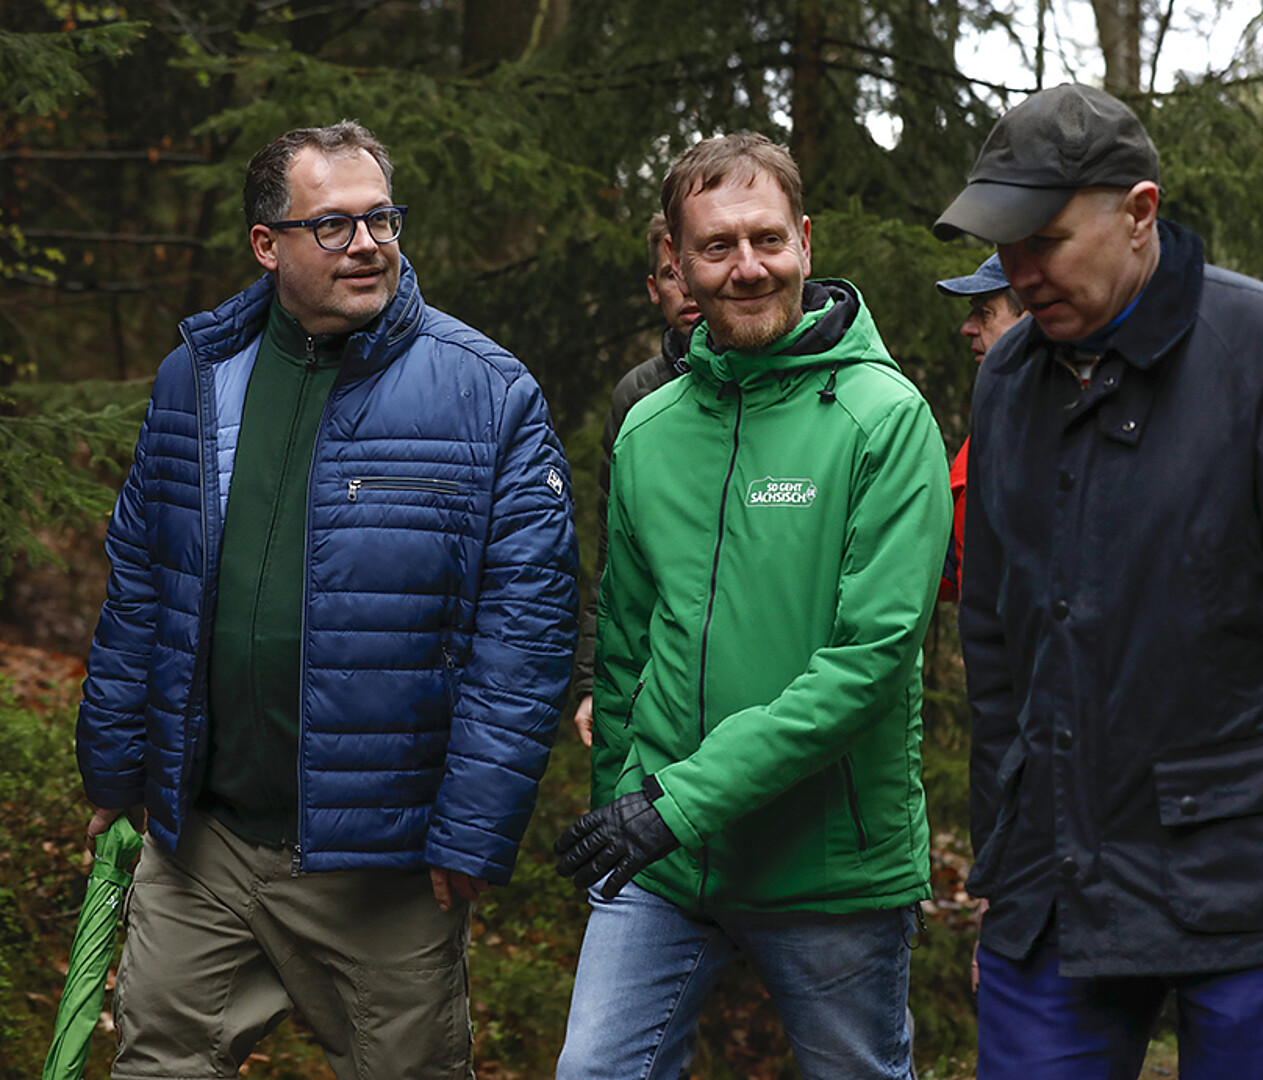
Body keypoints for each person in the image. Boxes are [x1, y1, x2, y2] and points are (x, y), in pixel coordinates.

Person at [933, 83, 1263, 1079]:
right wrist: (1001, 863)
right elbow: (996, 642)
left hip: (1256, 882)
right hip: (1057, 880)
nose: (1020, 271)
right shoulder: (1007, 381)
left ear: (1140, 213)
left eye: (1044, 239)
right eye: (1005, 244)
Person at [73, 121, 578, 1079]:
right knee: (157, 1064)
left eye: (382, 219)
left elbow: (527, 630)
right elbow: (143, 584)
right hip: (205, 844)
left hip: (381, 865)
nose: (369, 244)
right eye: (334, 225)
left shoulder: (486, 393)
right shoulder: (197, 377)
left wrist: (474, 828)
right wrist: (115, 770)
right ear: (268, 245)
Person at [552, 132, 950, 1080]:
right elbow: (624, 650)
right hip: (663, 864)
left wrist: (673, 805)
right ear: (677, 263)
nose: (747, 267)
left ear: (804, 241)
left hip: (827, 866)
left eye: (766, 239)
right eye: (717, 246)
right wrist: (620, 817)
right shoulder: (649, 429)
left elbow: (867, 665)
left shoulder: (883, 419)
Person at [569, 211, 697, 760]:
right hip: (656, 669)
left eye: (693, 267)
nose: (686, 287)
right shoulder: (637, 397)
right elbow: (614, 555)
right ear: (653, 288)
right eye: (671, 275)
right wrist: (591, 680)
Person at [933, 253, 1025, 602]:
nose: (968, 328)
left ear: (1032, 319)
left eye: (985, 313)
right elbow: (956, 569)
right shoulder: (989, 428)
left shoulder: (1066, 429)